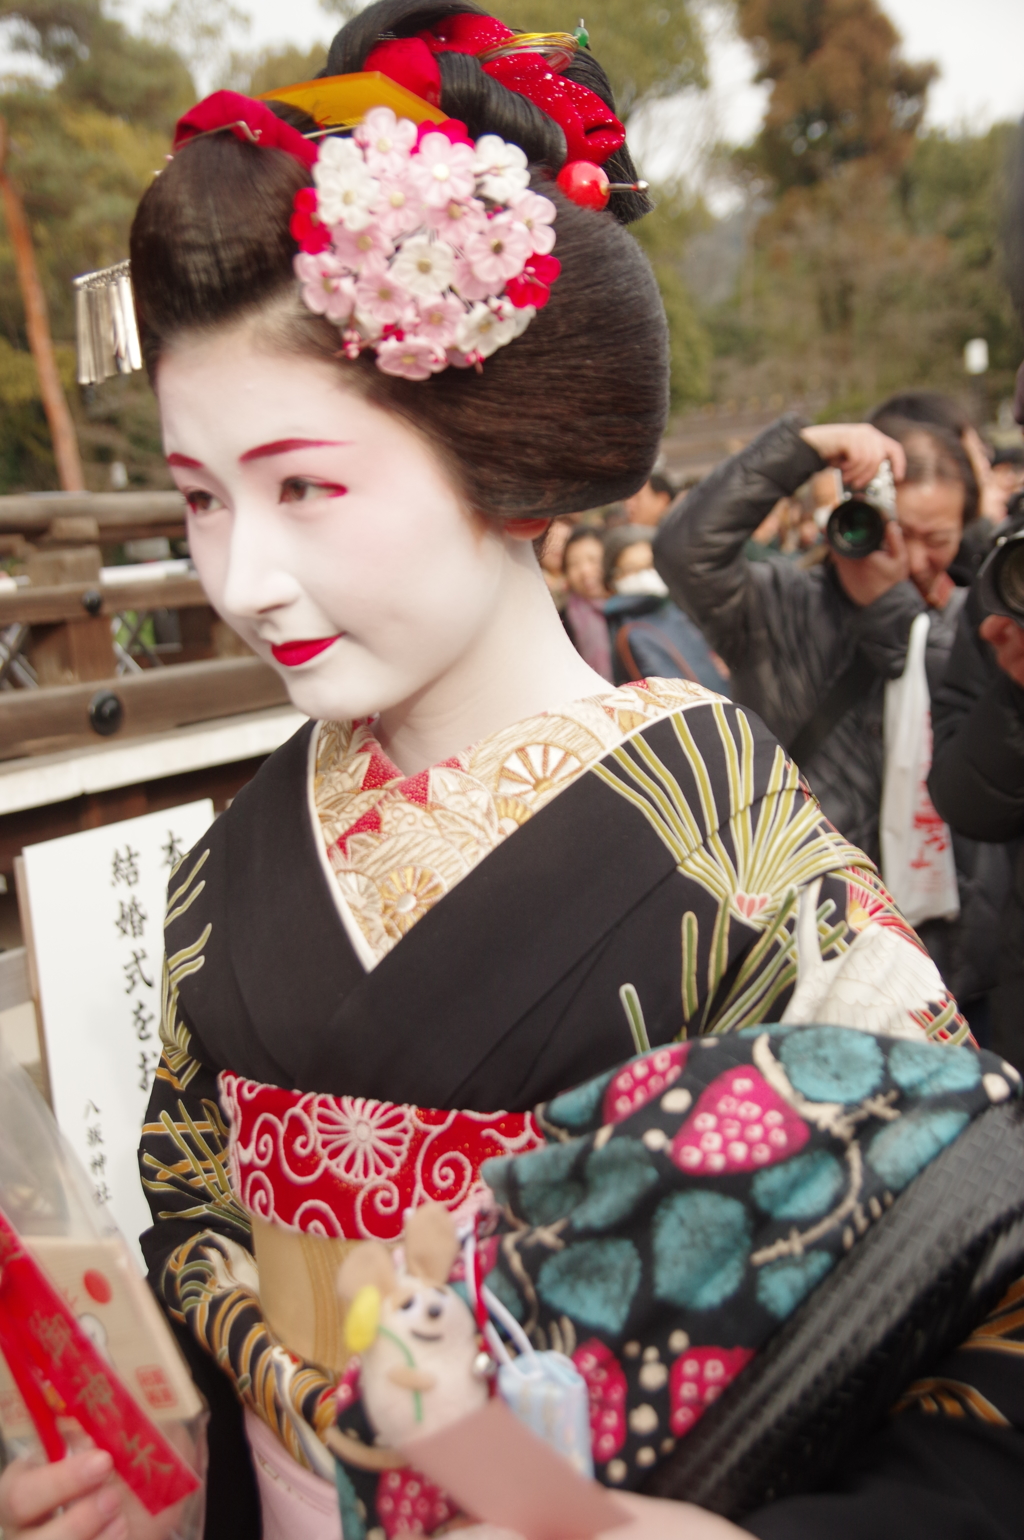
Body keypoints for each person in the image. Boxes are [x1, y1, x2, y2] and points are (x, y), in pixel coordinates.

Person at [1, 9, 1016, 1539]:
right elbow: (192, 1226)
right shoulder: (239, 859)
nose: (245, 578)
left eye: (306, 487)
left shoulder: (728, 838)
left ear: (513, 451)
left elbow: (980, 1268)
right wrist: (146, 1469)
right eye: (201, 500)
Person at [653, 413, 1008, 1021]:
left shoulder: (981, 623)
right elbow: (683, 551)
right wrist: (805, 447)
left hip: (951, 946)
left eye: (939, 539)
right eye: (901, 531)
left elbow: (978, 740)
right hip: (812, 942)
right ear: (858, 517)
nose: (914, 558)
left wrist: (892, 608)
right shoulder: (779, 604)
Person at [602, 524, 729, 691]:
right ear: (613, 578)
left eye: (650, 565)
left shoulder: (673, 607)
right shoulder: (629, 631)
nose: (645, 574)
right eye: (633, 569)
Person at [561, 524, 613, 680]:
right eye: (574, 564)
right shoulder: (562, 623)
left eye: (593, 559)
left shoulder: (631, 605)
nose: (585, 570)